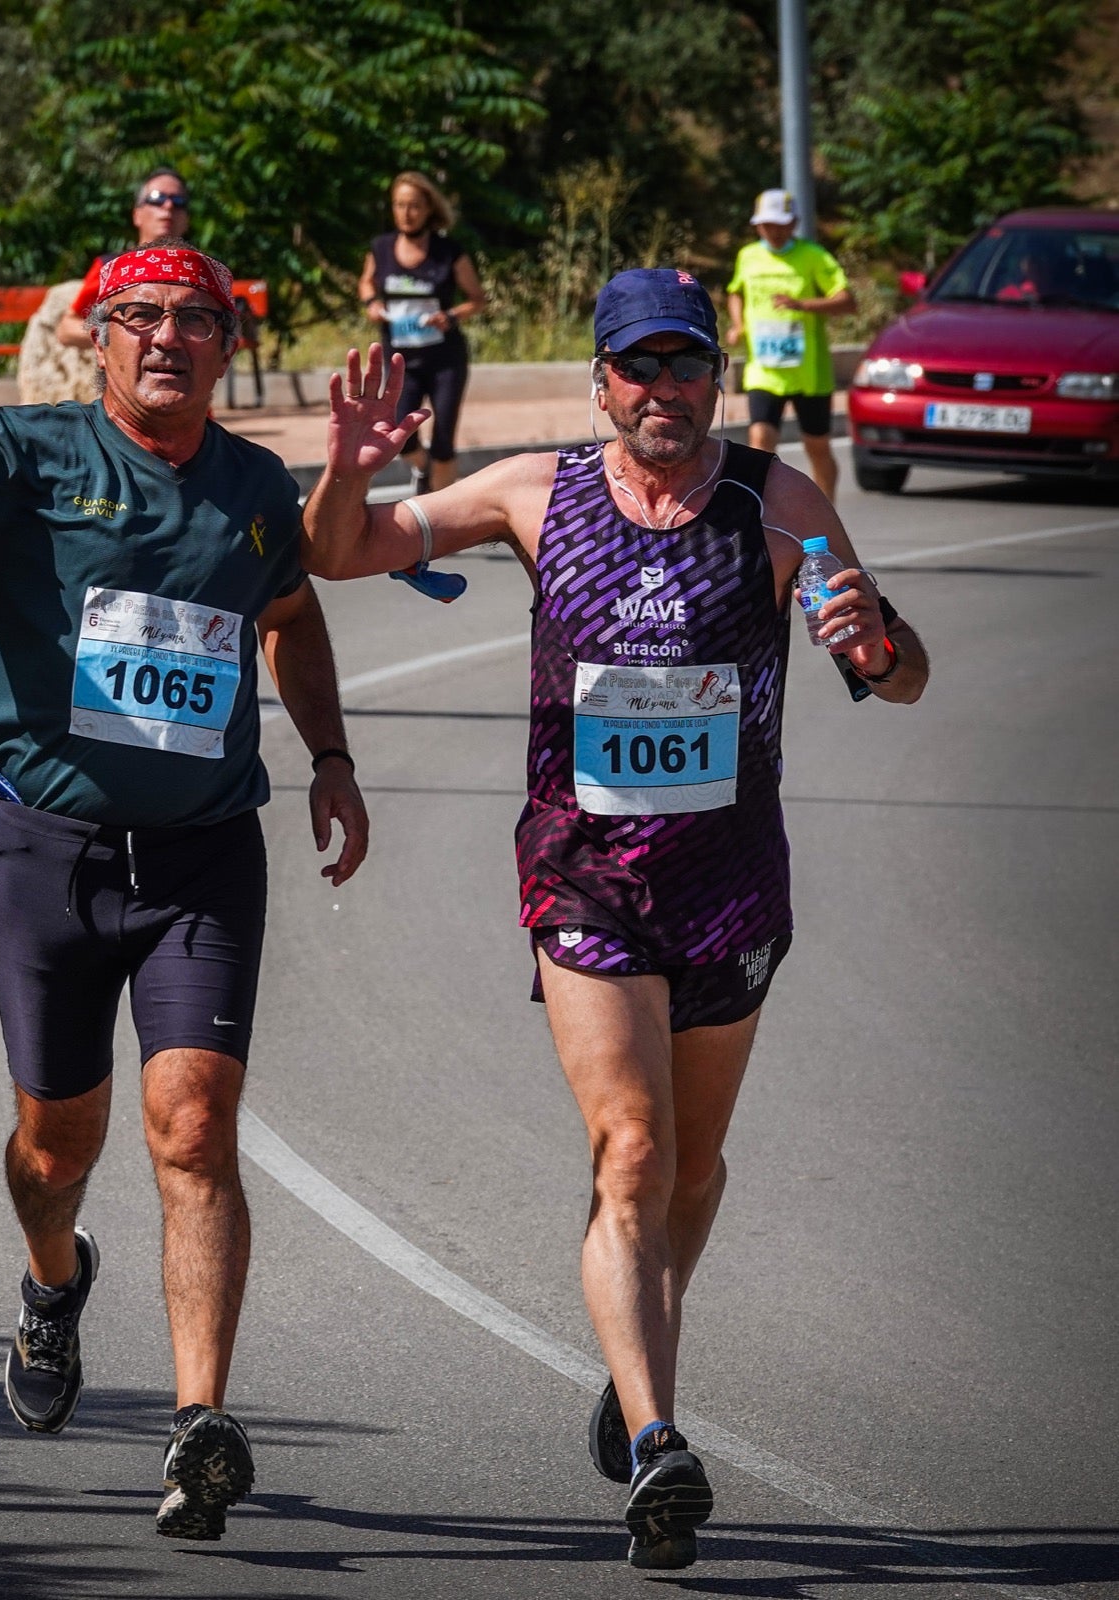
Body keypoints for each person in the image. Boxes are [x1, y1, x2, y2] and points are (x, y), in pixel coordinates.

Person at [301, 267, 928, 1571]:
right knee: (632, 1147)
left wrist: (871, 637)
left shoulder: (778, 501)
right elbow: (342, 553)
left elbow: (896, 674)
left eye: (684, 365)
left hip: (732, 888)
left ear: (712, 375)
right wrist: (344, 472)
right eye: (637, 368)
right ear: (601, 382)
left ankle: (629, 1335)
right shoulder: (537, 491)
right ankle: (656, 1442)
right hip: (583, 882)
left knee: (688, 1168)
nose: (663, 390)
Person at [0, 242, 369, 1543]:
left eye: (197, 321)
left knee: (191, 1130)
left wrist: (332, 757)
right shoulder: (22, 460)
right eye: (141, 319)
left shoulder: (250, 486)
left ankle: (197, 1429)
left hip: (201, 858)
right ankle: (51, 1283)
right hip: (48, 854)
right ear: (98, 340)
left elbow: (290, 610)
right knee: (53, 1150)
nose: (168, 340)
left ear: (229, 348)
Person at [357, 171, 487, 494]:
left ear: (428, 208)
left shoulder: (449, 252)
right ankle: (423, 469)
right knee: (399, 434)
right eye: (399, 205)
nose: (406, 212)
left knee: (444, 438)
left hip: (445, 360)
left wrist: (450, 316)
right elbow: (366, 282)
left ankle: (440, 518)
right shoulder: (381, 248)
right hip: (401, 359)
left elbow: (477, 300)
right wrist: (371, 302)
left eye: (414, 205)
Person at [725, 188, 856, 503]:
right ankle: (761, 519)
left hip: (809, 373)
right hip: (765, 370)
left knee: (817, 447)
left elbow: (847, 302)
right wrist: (739, 324)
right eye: (767, 225)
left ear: (794, 222)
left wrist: (802, 304)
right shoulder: (748, 256)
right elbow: (735, 292)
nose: (774, 231)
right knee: (759, 441)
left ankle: (826, 517)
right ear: (757, 226)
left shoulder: (813, 256)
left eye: (781, 224)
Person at [57, 169, 193, 349]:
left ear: (187, 219)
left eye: (178, 202)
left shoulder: (199, 270)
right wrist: (118, 334)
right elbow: (67, 329)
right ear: (137, 215)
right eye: (156, 198)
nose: (168, 206)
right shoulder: (111, 267)